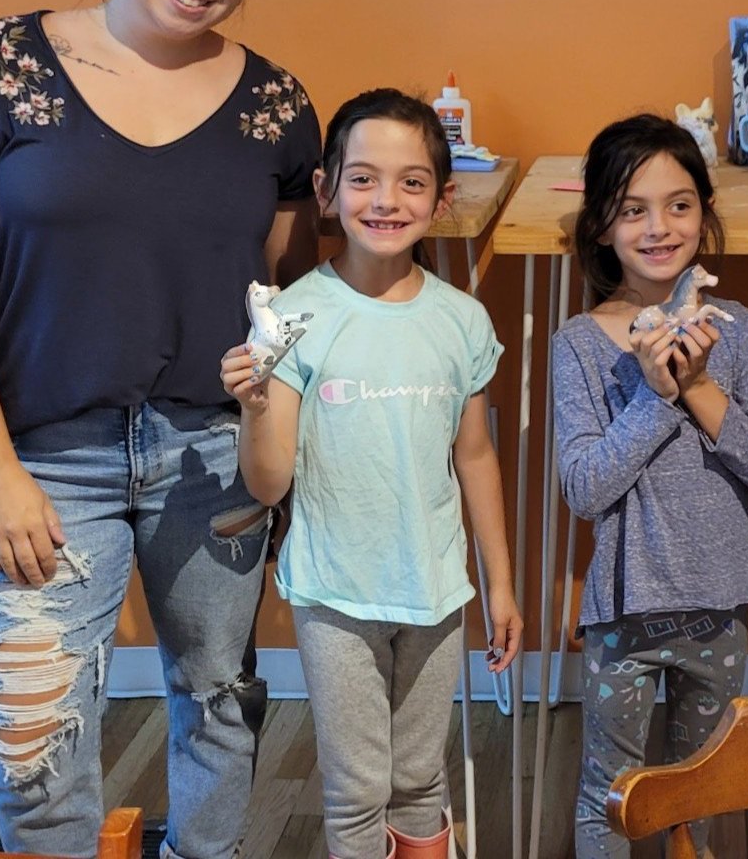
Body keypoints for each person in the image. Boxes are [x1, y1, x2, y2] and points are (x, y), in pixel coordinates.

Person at [0, 0, 320, 857]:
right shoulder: (9, 65)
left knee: (218, 698)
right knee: (32, 733)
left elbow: (276, 299)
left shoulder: (275, 107)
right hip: (43, 452)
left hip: (208, 455)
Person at [220, 89, 522, 859]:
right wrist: (256, 404)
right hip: (336, 594)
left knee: (421, 778)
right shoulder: (292, 318)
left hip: (434, 590)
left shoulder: (462, 319)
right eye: (362, 178)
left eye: (412, 181)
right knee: (357, 789)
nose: (386, 199)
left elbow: (475, 454)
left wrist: (501, 581)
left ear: (441, 198)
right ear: (325, 189)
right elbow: (267, 484)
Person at [551, 115, 748, 859]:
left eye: (679, 204)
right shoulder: (580, 345)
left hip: (718, 605)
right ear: (602, 227)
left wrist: (696, 386)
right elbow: (585, 488)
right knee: (612, 792)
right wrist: (655, 393)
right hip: (624, 616)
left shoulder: (741, 331)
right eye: (633, 209)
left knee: (699, 787)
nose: (659, 226)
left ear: (704, 214)